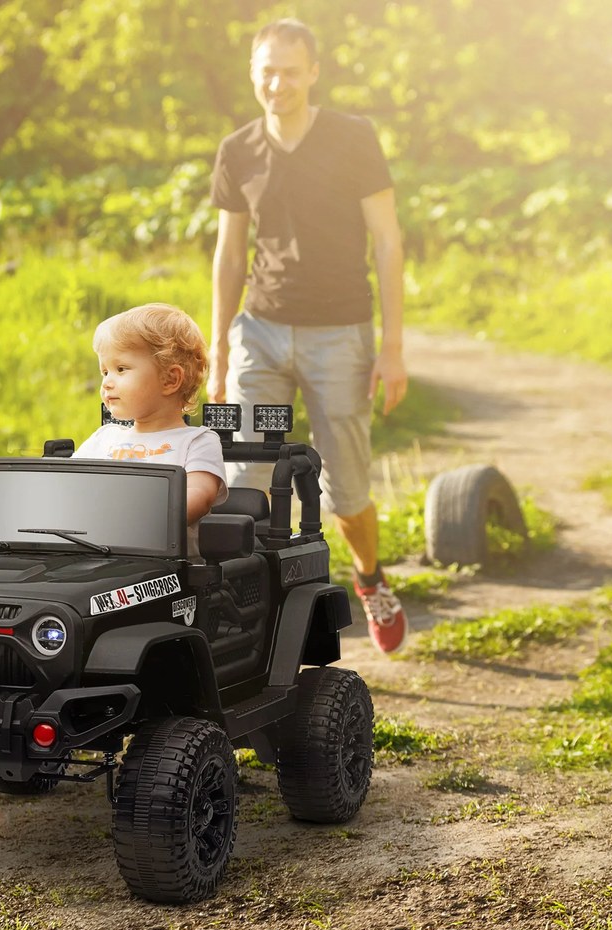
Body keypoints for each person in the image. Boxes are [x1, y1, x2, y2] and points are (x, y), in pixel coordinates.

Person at [207, 17, 408, 654]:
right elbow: (230, 254)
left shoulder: (353, 138)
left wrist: (394, 345)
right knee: (251, 476)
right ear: (252, 74)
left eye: (291, 71)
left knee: (346, 488)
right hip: (261, 336)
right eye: (267, 71)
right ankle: (256, 612)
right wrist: (217, 349)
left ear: (313, 71)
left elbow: (388, 240)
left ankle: (370, 578)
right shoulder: (238, 150)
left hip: (339, 337)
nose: (278, 83)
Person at [74, 303, 228, 556]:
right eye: (104, 371)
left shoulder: (197, 441)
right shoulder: (103, 438)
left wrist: (140, 521)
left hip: (168, 570)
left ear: (170, 380)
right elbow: (69, 486)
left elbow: (199, 495)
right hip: (96, 556)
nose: (106, 383)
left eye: (121, 369)